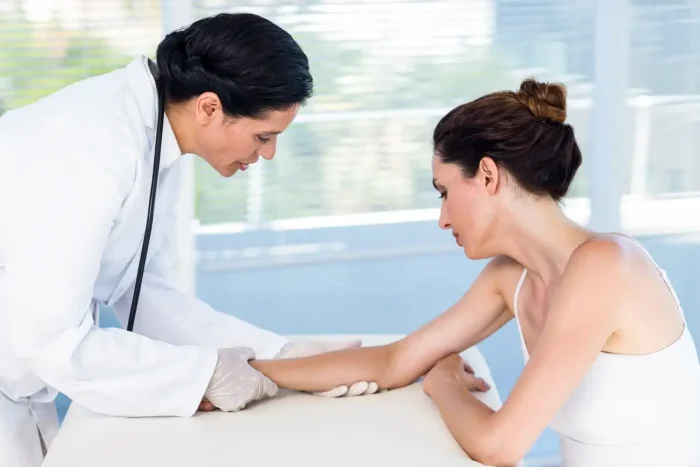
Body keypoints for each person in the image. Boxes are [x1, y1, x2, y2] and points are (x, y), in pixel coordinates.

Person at [243, 79, 700, 466]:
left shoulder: (607, 266)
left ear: (487, 175)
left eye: (444, 191)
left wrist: (443, 383)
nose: (442, 218)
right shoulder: (512, 278)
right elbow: (395, 361)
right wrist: (253, 374)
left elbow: (501, 445)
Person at [0, 13, 375, 467]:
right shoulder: (92, 146)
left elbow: (142, 292)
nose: (269, 154)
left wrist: (278, 354)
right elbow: (54, 338)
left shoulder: (158, 139)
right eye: (264, 136)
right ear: (210, 108)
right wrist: (206, 374)